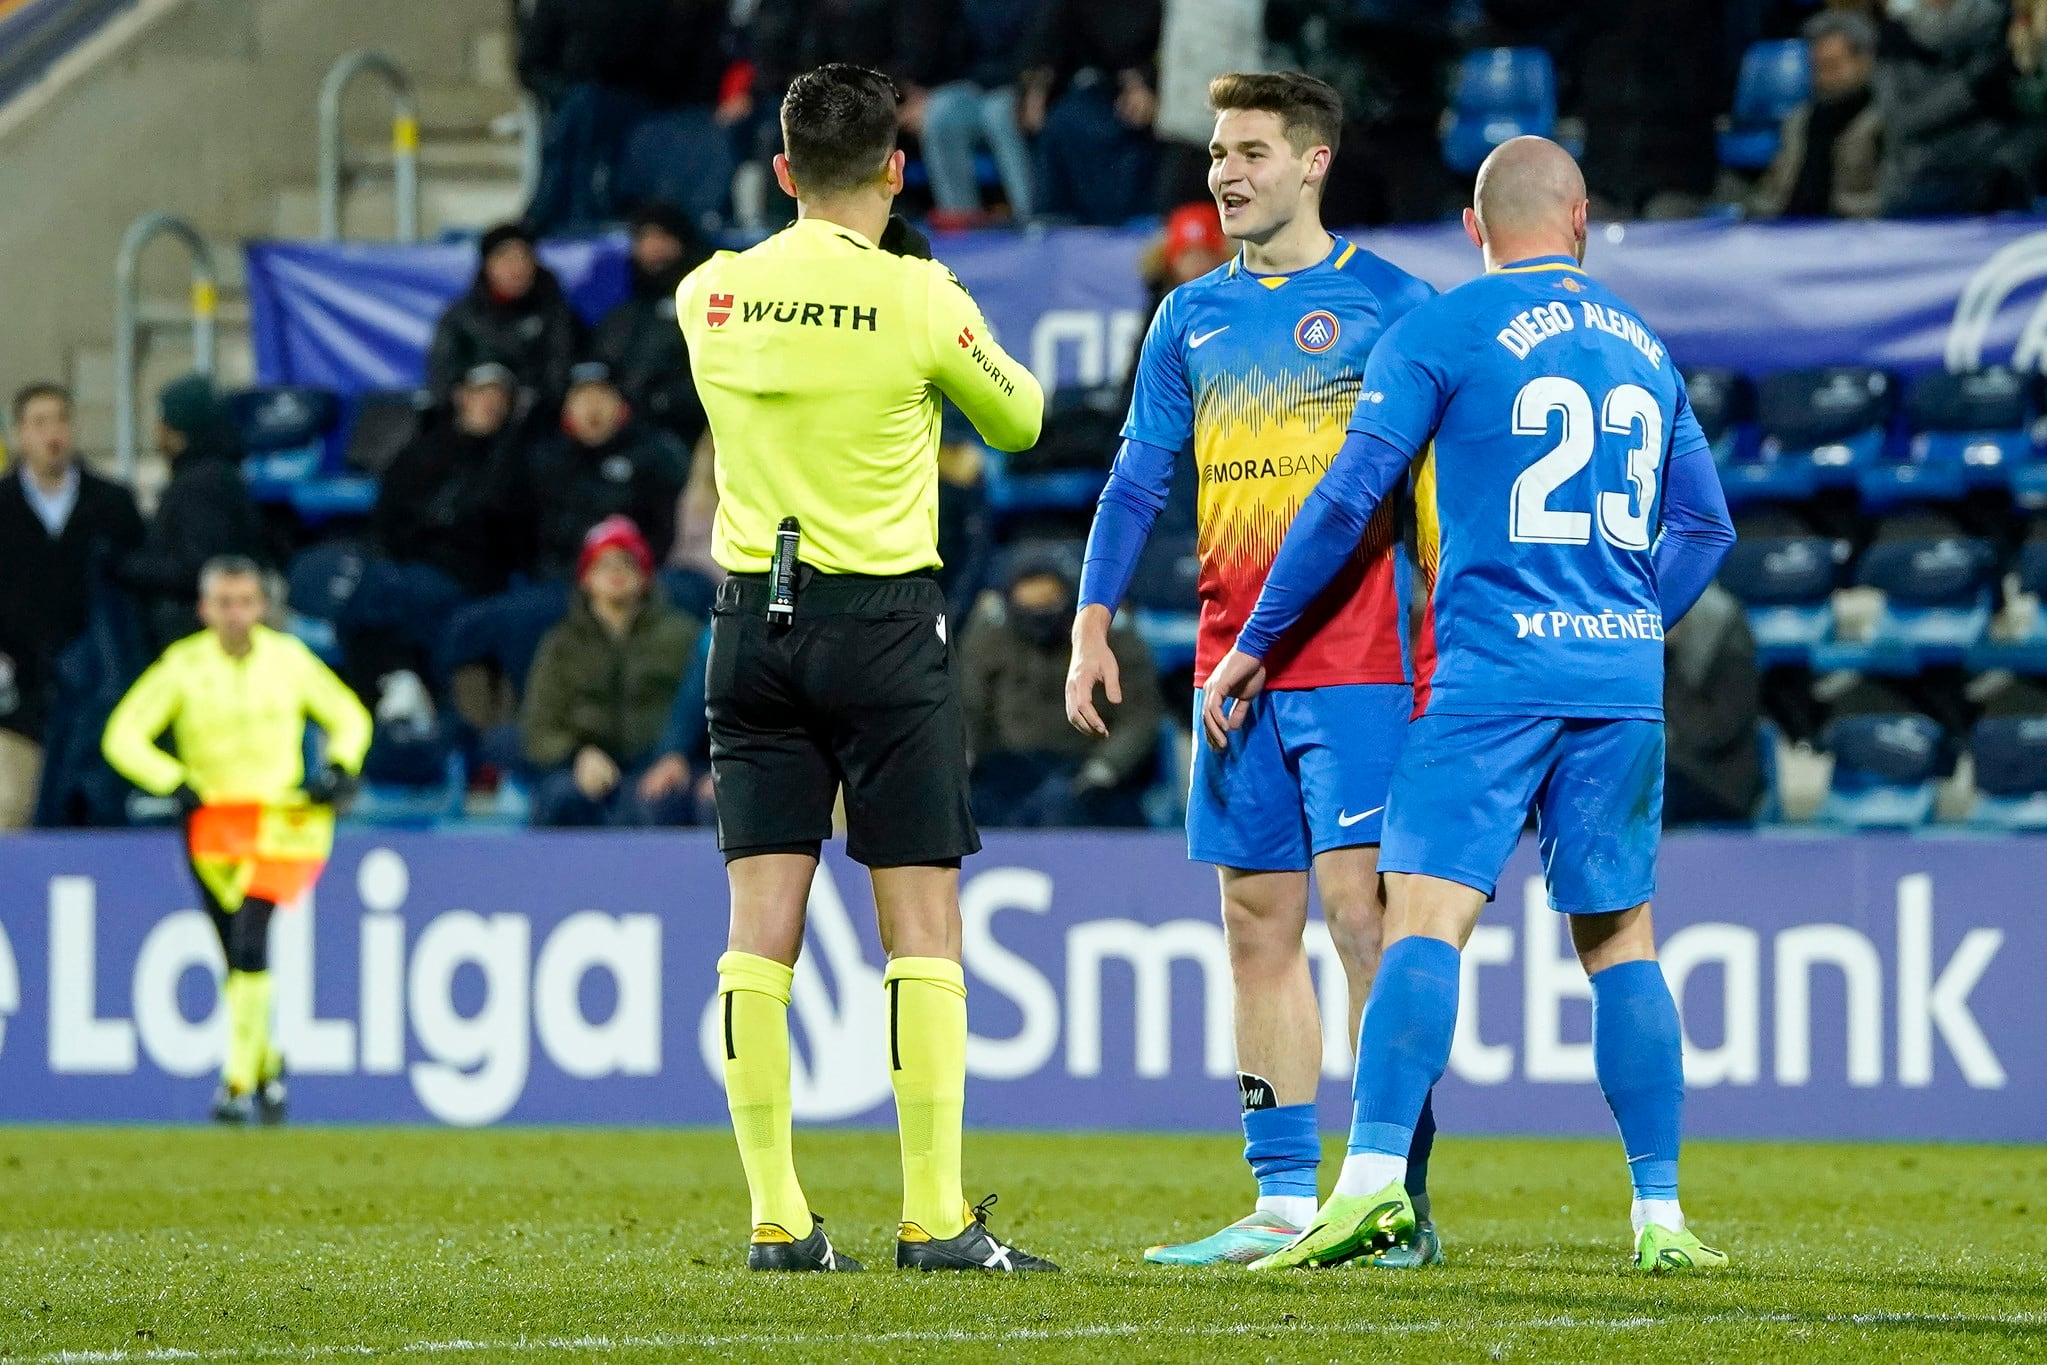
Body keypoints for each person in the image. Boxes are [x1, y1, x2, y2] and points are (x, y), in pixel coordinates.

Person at [1203, 136, 1737, 1272]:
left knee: (1424, 922)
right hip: (1617, 681)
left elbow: (1351, 495)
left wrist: (1256, 642)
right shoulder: (1644, 350)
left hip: (1489, 676)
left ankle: (1368, 1187)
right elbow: (1707, 526)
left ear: (1472, 227)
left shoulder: (1440, 330)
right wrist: (1632, 615)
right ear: (1581, 218)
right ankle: (1661, 1217)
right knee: (1621, 939)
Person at [677, 63, 1053, 1273]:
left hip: (749, 627)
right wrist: (937, 316)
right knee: (922, 927)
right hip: (885, 628)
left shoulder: (712, 296)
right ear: (897, 169)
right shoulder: (919, 299)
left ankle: (778, 1219)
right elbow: (1022, 421)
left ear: (780, 171)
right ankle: (934, 1217)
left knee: (756, 936)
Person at [1066, 70, 1443, 1270]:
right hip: (1236, 669)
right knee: (1252, 925)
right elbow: (1136, 481)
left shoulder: (1397, 306)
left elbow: (1438, 496)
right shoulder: (1190, 318)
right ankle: (1283, 1199)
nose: (1226, 174)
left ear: (1314, 161)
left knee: (1361, 922)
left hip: (1362, 661)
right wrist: (1092, 617)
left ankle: (1392, 1200)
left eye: (1251, 154)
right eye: (1218, 155)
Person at [101, 556, 372, 1124]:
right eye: (224, 603)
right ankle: (270, 1070)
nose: (236, 615)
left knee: (251, 939)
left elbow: (349, 716)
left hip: (281, 823)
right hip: (214, 827)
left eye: (246, 602)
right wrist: (171, 781)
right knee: (234, 954)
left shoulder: (290, 661)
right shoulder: (182, 667)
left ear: (262, 606)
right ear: (204, 610)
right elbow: (122, 735)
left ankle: (235, 1084)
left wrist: (341, 767)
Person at [0, 383, 145, 829]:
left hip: (96, 689)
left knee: (96, 814)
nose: (53, 433)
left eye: (61, 420)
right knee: (16, 812)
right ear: (18, 435)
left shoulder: (112, 504)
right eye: (40, 423)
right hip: (17, 697)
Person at [521, 517, 703, 827]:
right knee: (560, 799)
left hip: (662, 765)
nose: (615, 572)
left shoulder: (683, 635)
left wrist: (678, 757)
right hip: (582, 767)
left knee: (667, 802)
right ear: (586, 577)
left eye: (627, 562)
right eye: (603, 564)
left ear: (645, 575)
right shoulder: (561, 644)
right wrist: (578, 756)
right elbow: (539, 727)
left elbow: (704, 707)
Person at [964, 546, 1160, 827]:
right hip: (1005, 767)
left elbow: (1140, 716)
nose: (1039, 613)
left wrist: (1105, 768)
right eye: (1028, 602)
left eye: (1048, 601)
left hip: (1085, 766)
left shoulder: (1110, 635)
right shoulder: (988, 637)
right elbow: (967, 707)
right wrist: (965, 755)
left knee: (1064, 806)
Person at [512, 361, 693, 582]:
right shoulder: (543, 459)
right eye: (582, 397)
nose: (592, 407)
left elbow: (667, 529)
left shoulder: (655, 454)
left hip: (639, 580)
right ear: (566, 409)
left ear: (621, 405)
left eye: (602, 395)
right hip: (559, 581)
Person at [123, 374, 266, 650]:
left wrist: (125, 564)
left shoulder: (200, 486)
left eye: (164, 421)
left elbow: (198, 568)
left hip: (197, 637)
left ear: (180, 430)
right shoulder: (218, 476)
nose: (158, 430)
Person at [1020, 0, 1164, 224]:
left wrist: (1145, 83)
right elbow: (1053, 36)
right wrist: (1038, 88)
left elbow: (1176, 45)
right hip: (1098, 84)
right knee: (1061, 123)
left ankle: (1118, 223)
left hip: (1158, 87)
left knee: (1117, 132)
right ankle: (1051, 221)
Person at [900, 0, 1039, 226]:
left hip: (1017, 89)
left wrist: (1030, 90)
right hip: (973, 89)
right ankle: (960, 218)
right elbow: (949, 52)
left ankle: (1031, 219)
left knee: (998, 113)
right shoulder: (965, 6)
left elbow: (1039, 46)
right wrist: (927, 92)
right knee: (939, 113)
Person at [591, 202, 713, 447]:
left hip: (681, 431)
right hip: (617, 429)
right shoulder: (621, 312)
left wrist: (657, 401)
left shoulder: (705, 304)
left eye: (662, 236)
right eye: (644, 238)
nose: (653, 247)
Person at [1874, 0, 2009, 217]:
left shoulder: (1999, 24)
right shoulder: (1894, 33)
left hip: (1988, 183)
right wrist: (1970, 86)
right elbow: (1898, 120)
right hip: (1911, 188)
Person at [425, 223, 583, 407]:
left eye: (524, 257)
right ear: (488, 266)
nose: (517, 268)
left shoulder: (557, 313)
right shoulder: (460, 318)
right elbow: (443, 378)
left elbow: (562, 372)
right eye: (506, 259)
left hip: (540, 416)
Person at [1749, 10, 1883, 220]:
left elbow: (1894, 195)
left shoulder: (1883, 121)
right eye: (1818, 68)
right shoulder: (1798, 123)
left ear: (1864, 61)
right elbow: (1772, 190)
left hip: (1854, 234)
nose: (1825, 78)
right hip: (1786, 233)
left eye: (1834, 66)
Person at [1664, 583, 1764, 824]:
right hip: (1668, 771)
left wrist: (1668, 661)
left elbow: (1709, 734)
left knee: (1647, 796)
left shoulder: (1730, 646)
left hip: (1717, 784)